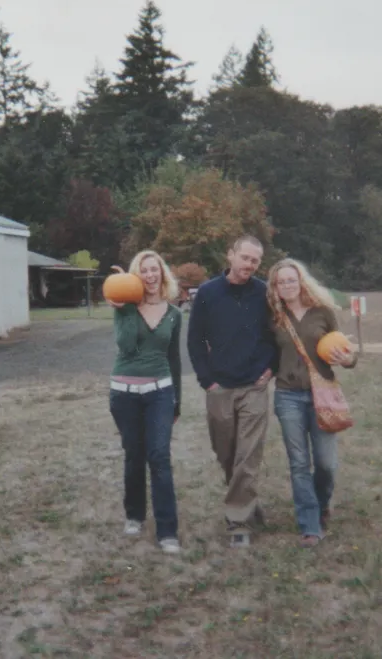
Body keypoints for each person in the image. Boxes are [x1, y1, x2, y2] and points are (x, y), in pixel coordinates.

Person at [187, 235, 278, 547]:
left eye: (255, 261)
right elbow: (195, 340)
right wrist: (207, 382)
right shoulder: (208, 294)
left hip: (254, 387)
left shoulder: (264, 293)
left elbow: (276, 334)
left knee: (248, 455)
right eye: (245, 258)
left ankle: (237, 521)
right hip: (220, 388)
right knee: (226, 453)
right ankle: (246, 500)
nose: (249, 265)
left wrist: (271, 369)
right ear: (231, 256)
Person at [266, 258, 358, 548]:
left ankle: (322, 503)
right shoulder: (273, 317)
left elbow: (345, 350)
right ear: (275, 287)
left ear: (301, 281)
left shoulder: (323, 313)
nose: (287, 286)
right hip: (287, 396)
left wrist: (349, 360)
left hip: (321, 396)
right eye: (281, 282)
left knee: (326, 463)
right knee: (299, 463)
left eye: (292, 280)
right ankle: (310, 524)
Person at [106, 250, 184, 554]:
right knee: (134, 455)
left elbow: (174, 358)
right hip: (124, 393)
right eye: (144, 271)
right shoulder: (124, 308)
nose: (150, 276)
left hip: (160, 392)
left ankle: (167, 531)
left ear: (162, 274)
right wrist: (126, 308)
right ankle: (134, 515)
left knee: (160, 457)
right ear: (136, 276)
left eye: (155, 270)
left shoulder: (174, 314)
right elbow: (125, 346)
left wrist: (177, 400)